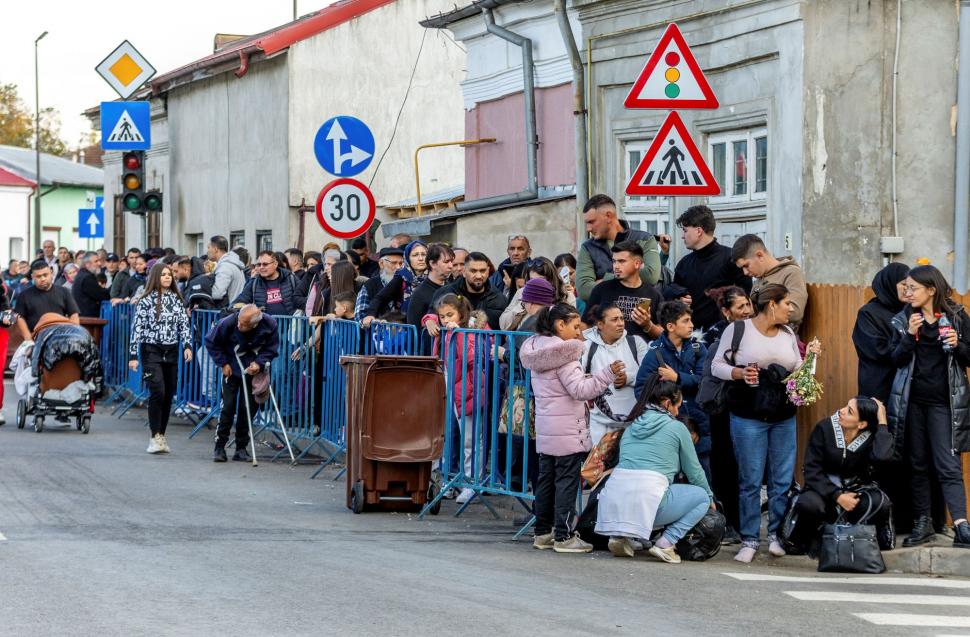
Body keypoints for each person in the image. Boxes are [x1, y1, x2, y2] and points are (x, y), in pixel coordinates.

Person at [711, 283, 813, 563]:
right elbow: (716, 366)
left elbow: (797, 371)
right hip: (748, 415)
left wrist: (811, 360)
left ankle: (777, 536)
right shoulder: (739, 330)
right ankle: (750, 538)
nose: (791, 309)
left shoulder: (788, 333)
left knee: (782, 479)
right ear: (772, 305)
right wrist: (739, 373)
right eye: (786, 303)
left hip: (783, 414)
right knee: (750, 479)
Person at [520, 303, 622, 553]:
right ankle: (564, 536)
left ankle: (542, 532)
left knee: (546, 482)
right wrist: (606, 374)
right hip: (567, 430)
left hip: (547, 428)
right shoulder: (566, 357)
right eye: (575, 327)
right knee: (566, 483)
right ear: (559, 325)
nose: (579, 333)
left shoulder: (538, 351)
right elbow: (580, 390)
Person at [888, 264, 970, 548]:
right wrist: (909, 336)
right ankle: (923, 523)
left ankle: (961, 525)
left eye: (913, 288)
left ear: (931, 290)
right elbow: (896, 360)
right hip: (912, 403)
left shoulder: (957, 317)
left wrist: (958, 344)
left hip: (944, 404)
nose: (908, 293)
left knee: (948, 464)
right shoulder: (902, 320)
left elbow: (969, 356)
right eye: (906, 287)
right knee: (917, 464)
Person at [595, 374, 716, 563]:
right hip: (649, 500)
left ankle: (620, 536)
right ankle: (666, 543)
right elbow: (694, 471)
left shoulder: (632, 426)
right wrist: (709, 497)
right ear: (667, 403)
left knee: (642, 491)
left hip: (614, 502)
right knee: (700, 496)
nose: (677, 412)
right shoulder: (677, 428)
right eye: (677, 406)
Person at [787, 397, 895, 554]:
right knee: (809, 504)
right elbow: (812, 471)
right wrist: (837, 496)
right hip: (823, 489)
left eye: (849, 411)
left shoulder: (869, 435)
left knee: (880, 502)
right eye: (846, 405)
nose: (841, 411)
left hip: (854, 492)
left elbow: (882, 456)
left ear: (861, 424)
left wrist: (882, 421)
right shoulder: (825, 428)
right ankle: (803, 541)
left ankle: (856, 541)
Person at [636, 301, 711, 481]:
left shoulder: (698, 347)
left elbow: (706, 381)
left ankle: (708, 508)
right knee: (670, 479)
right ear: (670, 326)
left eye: (690, 320)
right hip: (667, 427)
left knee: (702, 476)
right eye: (685, 321)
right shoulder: (655, 353)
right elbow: (641, 391)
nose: (691, 325)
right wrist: (664, 404)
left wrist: (677, 378)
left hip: (698, 425)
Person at [128, 263, 192, 454]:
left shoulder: (176, 299)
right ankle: (154, 435)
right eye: (163, 274)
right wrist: (133, 356)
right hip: (151, 350)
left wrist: (187, 345)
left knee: (168, 394)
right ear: (156, 277)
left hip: (171, 350)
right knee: (158, 391)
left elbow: (184, 325)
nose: (167, 277)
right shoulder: (146, 300)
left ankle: (161, 435)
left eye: (170, 274)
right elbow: (136, 329)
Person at [204, 304, 279, 463]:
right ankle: (220, 446)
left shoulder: (269, 324)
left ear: (254, 324)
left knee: (248, 408)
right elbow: (211, 341)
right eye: (239, 321)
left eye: (244, 324)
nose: (239, 325)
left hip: (253, 368)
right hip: (231, 365)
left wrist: (259, 363)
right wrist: (223, 363)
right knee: (228, 406)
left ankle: (241, 448)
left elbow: (271, 349)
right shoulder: (229, 322)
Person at [672, 206, 751, 331]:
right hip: (690, 338)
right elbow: (672, 295)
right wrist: (679, 298)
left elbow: (746, 297)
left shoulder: (731, 259)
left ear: (699, 231)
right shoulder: (684, 264)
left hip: (726, 335)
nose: (682, 236)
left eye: (685, 231)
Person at [582, 303, 648, 445]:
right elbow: (581, 382)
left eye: (622, 319)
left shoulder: (636, 343)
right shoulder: (586, 347)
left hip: (635, 424)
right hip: (600, 426)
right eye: (614, 320)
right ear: (600, 324)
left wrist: (628, 378)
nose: (620, 324)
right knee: (600, 467)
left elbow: (649, 375)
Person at [577, 194, 662, 301]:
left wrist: (605, 279)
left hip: (640, 315)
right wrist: (631, 274)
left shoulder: (644, 239)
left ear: (608, 216)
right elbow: (584, 291)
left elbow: (651, 276)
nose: (588, 229)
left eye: (592, 222)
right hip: (604, 315)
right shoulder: (588, 248)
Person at [853, 263, 911, 402]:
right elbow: (877, 349)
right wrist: (906, 347)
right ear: (889, 284)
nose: (907, 289)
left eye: (911, 285)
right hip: (879, 387)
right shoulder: (868, 314)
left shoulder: (911, 312)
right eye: (903, 284)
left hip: (906, 387)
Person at [586, 241, 662, 341]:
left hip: (641, 354)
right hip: (608, 354)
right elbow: (585, 325)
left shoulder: (653, 295)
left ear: (637, 264)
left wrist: (648, 325)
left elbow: (665, 335)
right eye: (614, 261)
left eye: (621, 261)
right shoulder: (601, 290)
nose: (616, 266)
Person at [731, 234, 808, 330]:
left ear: (760, 255)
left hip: (781, 341)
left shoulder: (791, 273)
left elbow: (795, 312)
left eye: (746, 265)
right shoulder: (759, 279)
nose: (745, 272)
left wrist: (757, 312)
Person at [428, 251, 508, 331]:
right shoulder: (446, 293)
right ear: (464, 272)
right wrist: (429, 321)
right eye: (473, 271)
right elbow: (432, 315)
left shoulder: (498, 298)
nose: (478, 276)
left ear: (488, 271)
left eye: (482, 271)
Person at [363, 241, 428, 326]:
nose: (420, 258)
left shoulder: (436, 276)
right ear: (407, 258)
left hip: (429, 330)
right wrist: (370, 315)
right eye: (415, 255)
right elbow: (380, 297)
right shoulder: (402, 276)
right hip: (407, 329)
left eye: (424, 254)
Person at [500, 257, 575, 331]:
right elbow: (503, 326)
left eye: (541, 280)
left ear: (551, 280)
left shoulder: (566, 296)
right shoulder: (522, 292)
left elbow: (571, 327)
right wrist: (523, 304)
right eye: (532, 280)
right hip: (523, 341)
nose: (535, 285)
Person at [15, 260, 80, 340]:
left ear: (51, 273)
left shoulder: (64, 291)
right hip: (35, 338)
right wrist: (28, 337)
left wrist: (74, 334)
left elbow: (74, 314)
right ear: (32, 277)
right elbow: (19, 317)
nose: (43, 279)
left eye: (45, 275)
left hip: (61, 337)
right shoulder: (24, 295)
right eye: (38, 276)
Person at [233, 250, 305, 316]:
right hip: (264, 328)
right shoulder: (254, 283)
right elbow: (239, 302)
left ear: (275, 264)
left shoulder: (290, 278)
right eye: (259, 264)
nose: (261, 267)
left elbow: (305, 298)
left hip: (288, 327)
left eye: (265, 264)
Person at [406, 243, 453, 336]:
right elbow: (413, 330)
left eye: (451, 261)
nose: (451, 266)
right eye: (446, 262)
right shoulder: (419, 294)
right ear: (432, 263)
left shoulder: (452, 288)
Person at [355, 247, 404, 321]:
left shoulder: (406, 283)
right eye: (394, 263)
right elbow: (360, 317)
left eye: (401, 263)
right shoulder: (370, 285)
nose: (398, 267)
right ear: (381, 264)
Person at [209, 235, 246, 307]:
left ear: (216, 249)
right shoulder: (232, 263)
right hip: (234, 310)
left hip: (229, 312)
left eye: (209, 247)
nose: (207, 251)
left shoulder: (225, 267)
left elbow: (217, 293)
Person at [72, 254, 111, 318]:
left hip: (83, 317)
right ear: (87, 264)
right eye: (96, 261)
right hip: (89, 320)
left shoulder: (81, 275)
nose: (99, 263)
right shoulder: (87, 277)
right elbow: (101, 295)